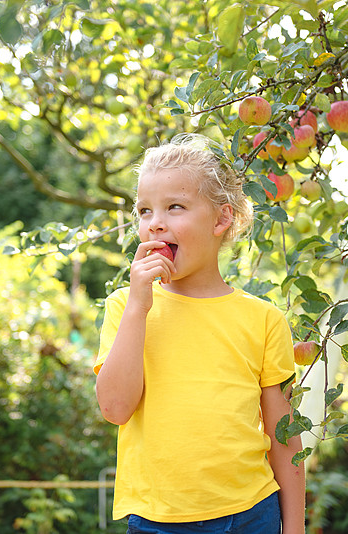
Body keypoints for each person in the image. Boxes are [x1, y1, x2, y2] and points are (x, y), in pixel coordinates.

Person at [94, 134, 305, 534]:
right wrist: (140, 307)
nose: (155, 222)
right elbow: (115, 409)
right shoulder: (126, 307)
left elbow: (284, 440)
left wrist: (294, 530)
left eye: (175, 207)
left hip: (251, 515)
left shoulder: (263, 320)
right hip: (158, 520)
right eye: (144, 210)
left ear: (221, 219)